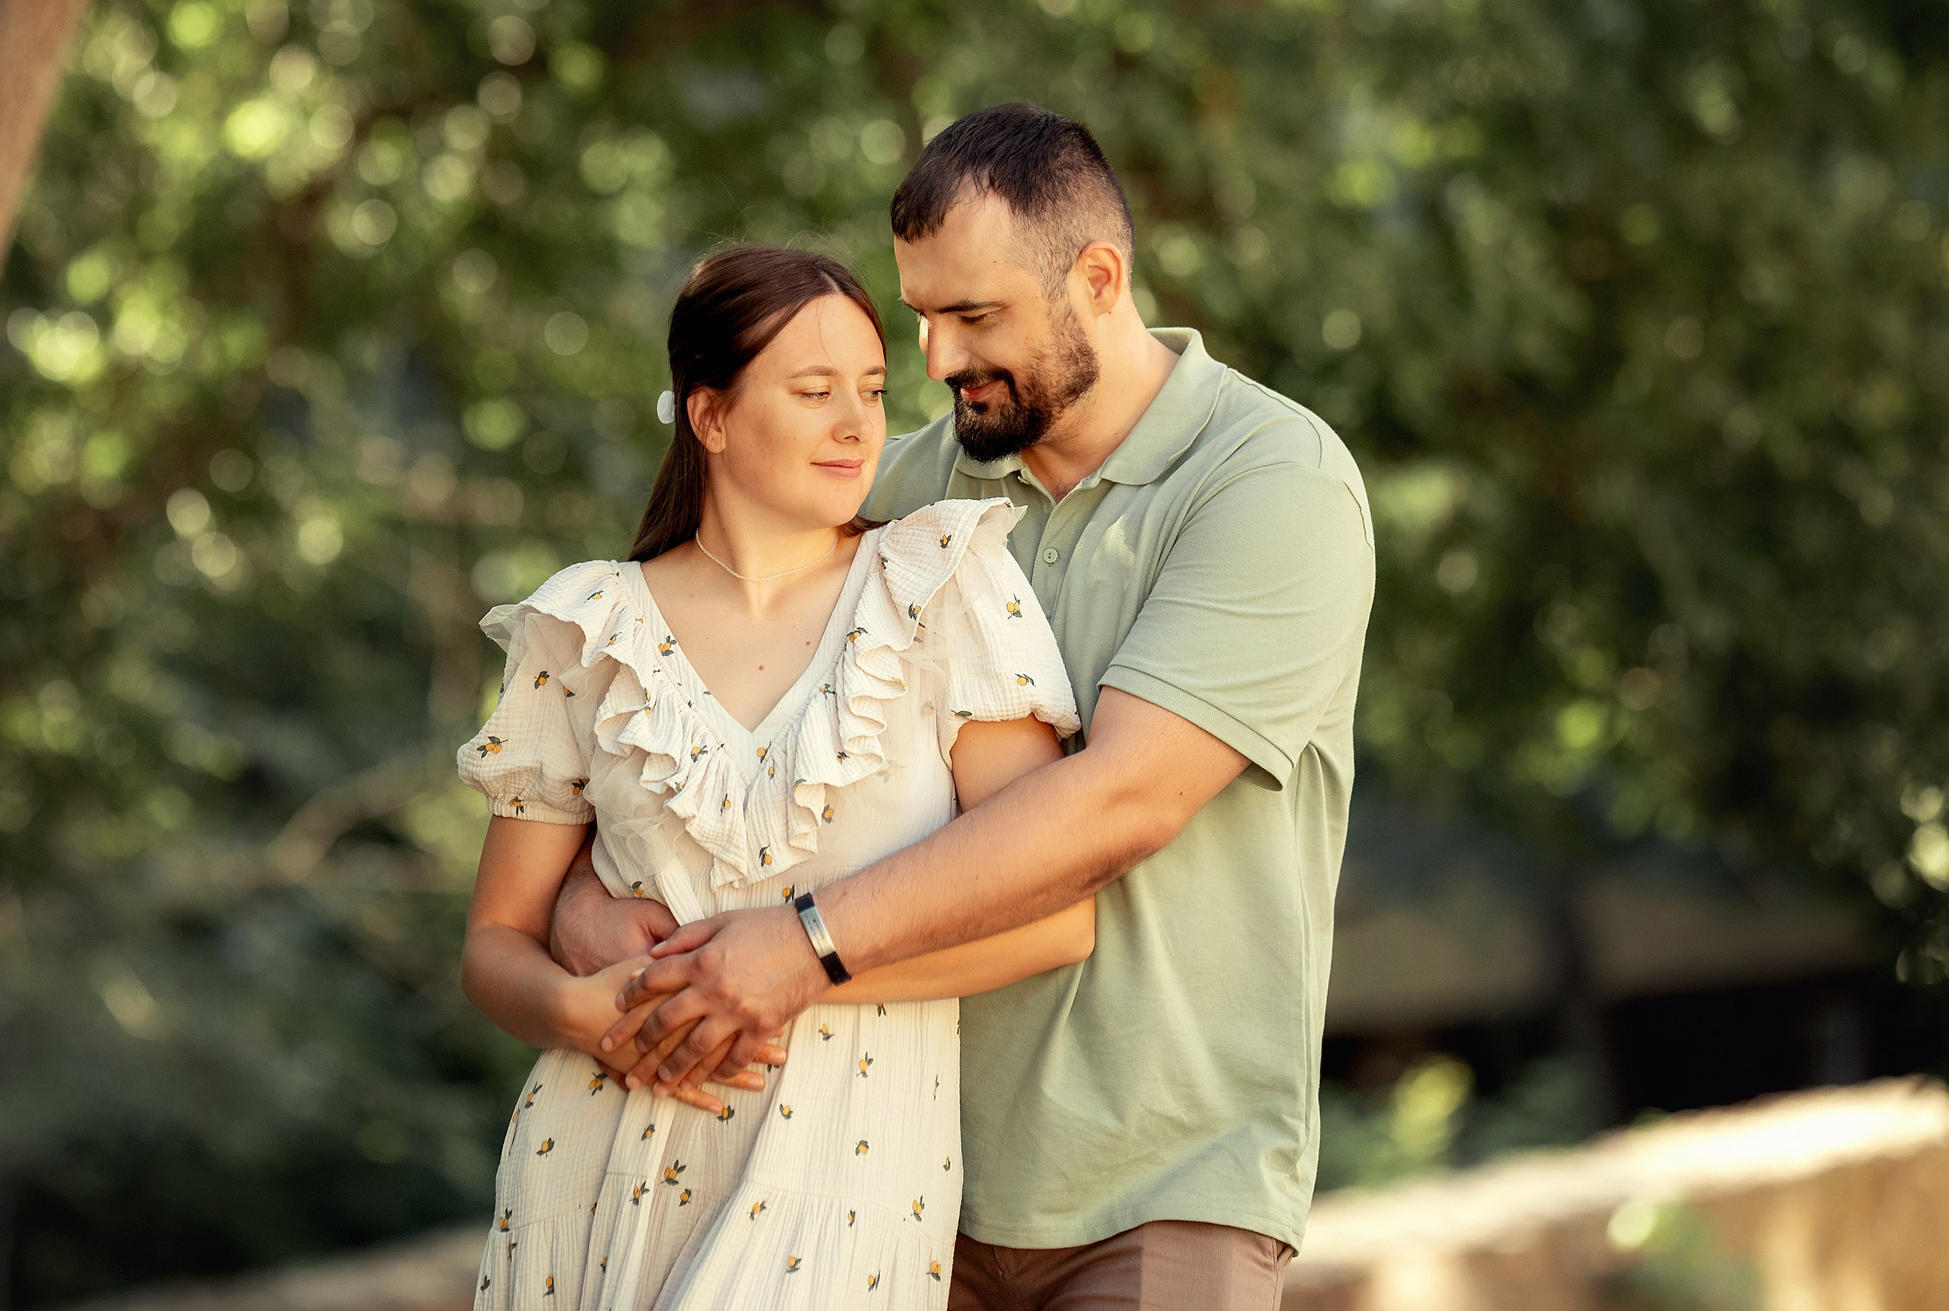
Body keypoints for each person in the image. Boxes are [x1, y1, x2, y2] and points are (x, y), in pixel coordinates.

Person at [557, 105, 1376, 1310]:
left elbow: (1122, 798)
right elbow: (698, 743)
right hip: (881, 1174)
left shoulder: (1267, 482)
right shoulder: (896, 491)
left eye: (975, 315)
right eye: (922, 315)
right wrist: (587, 906)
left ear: (1098, 277)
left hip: (1158, 1192)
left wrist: (802, 942)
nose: (935, 358)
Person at [456, 243, 1095, 1309]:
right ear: (708, 414)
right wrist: (586, 1014)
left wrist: (797, 972)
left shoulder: (940, 587)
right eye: (813, 392)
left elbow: (1054, 918)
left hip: (846, 1185)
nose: (857, 423)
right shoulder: (586, 626)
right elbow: (493, 944)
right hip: (594, 1167)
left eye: (871, 389)